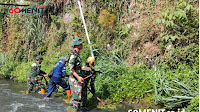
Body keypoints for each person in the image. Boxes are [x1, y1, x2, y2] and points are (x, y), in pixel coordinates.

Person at [68, 38, 84, 112]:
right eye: (81, 44)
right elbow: (71, 69)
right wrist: (78, 77)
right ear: (77, 45)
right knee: (76, 100)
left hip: (76, 78)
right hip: (74, 79)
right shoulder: (73, 54)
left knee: (74, 99)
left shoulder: (76, 54)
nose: (82, 45)